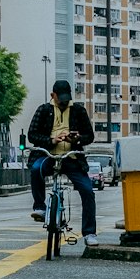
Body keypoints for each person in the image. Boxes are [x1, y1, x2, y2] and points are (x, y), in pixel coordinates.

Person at [27, 79, 98, 249]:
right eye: (61, 99)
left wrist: (77, 138)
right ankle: (40, 207)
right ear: (53, 96)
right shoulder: (43, 110)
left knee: (87, 191)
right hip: (48, 156)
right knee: (36, 169)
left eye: (67, 99)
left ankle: (89, 233)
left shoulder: (78, 110)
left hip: (72, 157)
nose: (64, 103)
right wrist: (51, 140)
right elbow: (32, 135)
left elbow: (90, 135)